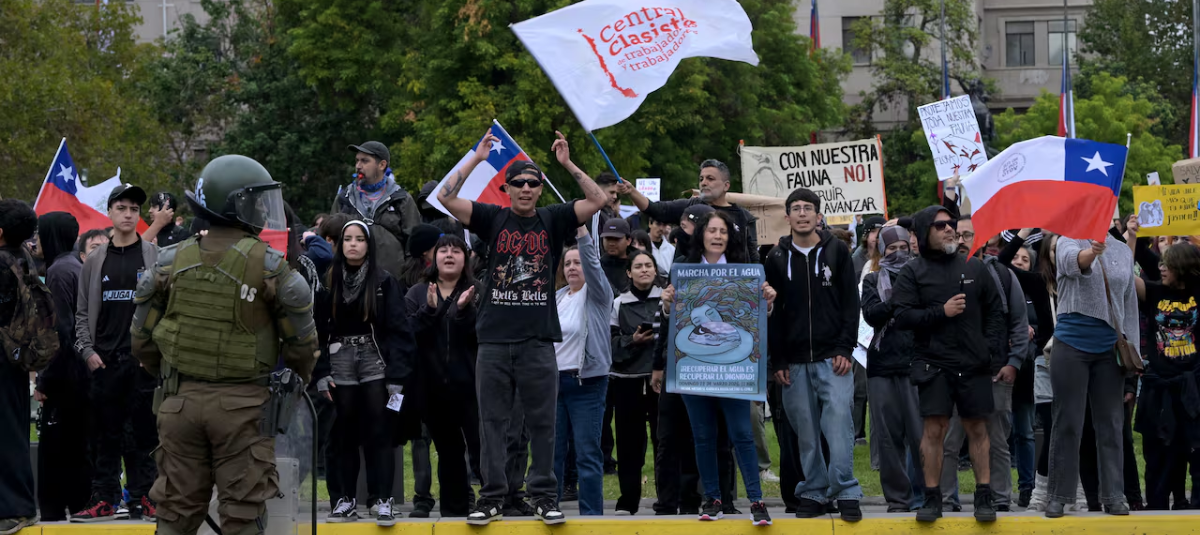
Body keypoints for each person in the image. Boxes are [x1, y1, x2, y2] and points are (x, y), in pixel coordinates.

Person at [128, 155, 320, 535]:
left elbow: (141, 341)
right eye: (258, 201)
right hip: (243, 409)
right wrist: (299, 378)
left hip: (178, 404)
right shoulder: (271, 267)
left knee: (175, 514)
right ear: (238, 204)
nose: (263, 210)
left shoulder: (168, 262)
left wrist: (174, 378)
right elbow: (302, 345)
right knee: (243, 515)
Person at [437, 127, 608, 526]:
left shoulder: (553, 218)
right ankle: (492, 498)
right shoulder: (492, 217)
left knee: (542, 424)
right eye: (519, 183)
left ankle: (544, 497)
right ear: (508, 188)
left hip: (538, 341)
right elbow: (446, 197)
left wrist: (567, 163)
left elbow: (598, 200)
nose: (527, 188)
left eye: (533, 183)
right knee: (492, 424)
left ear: (540, 189)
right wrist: (477, 158)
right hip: (494, 341)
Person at [658, 210, 776, 526]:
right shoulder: (683, 270)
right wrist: (667, 303)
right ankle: (712, 498)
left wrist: (768, 301)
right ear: (701, 234)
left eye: (723, 231)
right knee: (703, 437)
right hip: (694, 369)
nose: (717, 236)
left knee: (742, 434)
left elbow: (756, 318)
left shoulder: (747, 272)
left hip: (734, 370)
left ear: (730, 236)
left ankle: (756, 501)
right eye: (712, 230)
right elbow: (671, 318)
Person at [890, 205, 1006, 523]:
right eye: (940, 226)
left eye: (951, 224)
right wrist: (940, 312)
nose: (949, 229)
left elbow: (996, 313)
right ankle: (932, 498)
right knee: (934, 429)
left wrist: (991, 353)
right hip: (933, 362)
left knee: (978, 427)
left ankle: (984, 496)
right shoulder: (913, 271)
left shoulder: (974, 266)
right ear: (924, 232)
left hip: (974, 363)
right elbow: (902, 317)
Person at [764, 188, 863, 521]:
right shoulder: (775, 258)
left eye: (808, 208)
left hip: (833, 357)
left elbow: (850, 303)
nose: (802, 213)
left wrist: (844, 348)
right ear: (787, 216)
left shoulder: (837, 251)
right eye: (796, 208)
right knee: (805, 431)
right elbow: (773, 313)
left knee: (838, 425)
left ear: (819, 216)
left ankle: (846, 490)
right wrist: (778, 359)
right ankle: (814, 491)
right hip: (793, 362)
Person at [314, 220, 417, 525]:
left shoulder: (384, 281)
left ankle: (382, 499)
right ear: (339, 244)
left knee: (379, 430)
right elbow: (316, 331)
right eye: (348, 239)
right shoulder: (328, 280)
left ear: (368, 245)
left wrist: (397, 376)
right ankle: (344, 500)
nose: (353, 244)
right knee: (343, 432)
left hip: (375, 359)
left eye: (360, 239)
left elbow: (400, 331)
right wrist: (320, 372)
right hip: (339, 358)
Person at [71, 184, 161, 523]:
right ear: (109, 212)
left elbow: (166, 309)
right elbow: (82, 313)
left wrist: (153, 354)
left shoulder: (153, 256)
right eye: (121, 208)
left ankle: (145, 497)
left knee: (144, 435)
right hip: (104, 363)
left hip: (142, 363)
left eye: (134, 209)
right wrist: (88, 352)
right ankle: (104, 499)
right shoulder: (95, 259)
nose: (128, 214)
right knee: (104, 436)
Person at [1045, 229, 1139, 517]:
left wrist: (1134, 356)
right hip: (1071, 344)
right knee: (1068, 422)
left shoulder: (1122, 250)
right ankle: (1059, 496)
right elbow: (1072, 263)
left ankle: (1114, 495)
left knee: (1111, 423)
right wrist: (1092, 252)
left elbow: (1129, 304)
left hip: (1110, 347)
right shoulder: (1068, 239)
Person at [939, 221, 1030, 512]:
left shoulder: (1002, 274)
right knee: (949, 440)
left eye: (968, 235)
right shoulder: (939, 273)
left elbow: (1019, 323)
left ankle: (1000, 498)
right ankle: (945, 499)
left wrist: (1013, 363)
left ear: (982, 239)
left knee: (997, 440)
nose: (961, 240)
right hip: (952, 372)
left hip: (996, 372)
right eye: (957, 234)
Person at [405, 233, 481, 518]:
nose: (449, 255)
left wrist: (464, 311)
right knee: (449, 453)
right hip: (433, 389)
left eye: (456, 250)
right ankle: (453, 513)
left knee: (481, 448)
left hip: (473, 387)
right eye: (443, 250)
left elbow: (485, 334)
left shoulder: (478, 290)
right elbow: (406, 335)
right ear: (433, 258)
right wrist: (429, 310)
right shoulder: (417, 293)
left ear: (466, 258)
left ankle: (493, 501)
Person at [1128, 238, 1200, 510]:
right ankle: (1157, 506)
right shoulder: (1156, 292)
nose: (1161, 268)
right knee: (1157, 452)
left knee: (1196, 449)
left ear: (1182, 268)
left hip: (1193, 386)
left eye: (1167, 265)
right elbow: (1127, 275)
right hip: (1159, 388)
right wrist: (1131, 237)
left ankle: (1193, 505)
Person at [861, 225, 925, 512]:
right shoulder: (872, 280)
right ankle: (898, 498)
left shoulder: (922, 277)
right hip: (882, 365)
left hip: (915, 362)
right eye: (892, 248)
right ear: (882, 252)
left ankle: (924, 494)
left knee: (920, 434)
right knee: (888, 436)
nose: (898, 253)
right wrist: (899, 299)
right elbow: (872, 314)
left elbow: (925, 315)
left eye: (903, 247)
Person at [34, 213, 93, 523]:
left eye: (39, 234)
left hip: (65, 377)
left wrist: (44, 380)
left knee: (55, 452)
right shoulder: (75, 266)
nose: (35, 241)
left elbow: (60, 331)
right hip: (81, 373)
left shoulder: (58, 271)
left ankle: (55, 514)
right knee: (77, 447)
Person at [551, 228, 613, 516]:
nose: (573, 267)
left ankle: (592, 517)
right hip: (553, 384)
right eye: (568, 263)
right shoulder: (557, 298)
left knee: (587, 453)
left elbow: (594, 266)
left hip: (587, 383)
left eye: (578, 262)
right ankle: (548, 508)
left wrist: (582, 235)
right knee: (552, 453)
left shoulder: (598, 294)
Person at [609, 249, 663, 515]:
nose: (644, 270)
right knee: (629, 444)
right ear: (629, 272)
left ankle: (667, 499)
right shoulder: (618, 303)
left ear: (655, 270)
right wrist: (633, 340)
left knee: (664, 441)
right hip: (626, 382)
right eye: (638, 266)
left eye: (648, 265)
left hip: (660, 381)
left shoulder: (666, 299)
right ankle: (628, 501)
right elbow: (609, 344)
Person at [0, 200, 42, 535]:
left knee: (7, 435)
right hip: (14, 358)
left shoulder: (2, 263)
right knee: (13, 430)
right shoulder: (23, 258)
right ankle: (20, 506)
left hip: (2, 359)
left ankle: (16, 510)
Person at [624, 160, 759, 262]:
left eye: (710, 179)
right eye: (701, 179)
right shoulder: (689, 207)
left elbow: (753, 258)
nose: (704, 183)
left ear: (726, 186)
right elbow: (655, 209)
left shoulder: (744, 217)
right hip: (688, 283)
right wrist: (632, 191)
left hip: (731, 285)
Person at [333, 140, 422, 277]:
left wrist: (407, 278)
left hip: (392, 280)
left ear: (382, 165)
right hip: (349, 280)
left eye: (364, 161)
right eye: (357, 161)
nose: (358, 166)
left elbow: (414, 244)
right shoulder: (345, 198)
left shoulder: (401, 199)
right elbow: (331, 238)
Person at [600, 218, 633, 296]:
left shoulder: (639, 263)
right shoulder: (598, 266)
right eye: (608, 239)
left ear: (628, 241)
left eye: (616, 239)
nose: (611, 243)